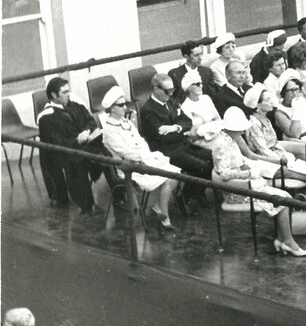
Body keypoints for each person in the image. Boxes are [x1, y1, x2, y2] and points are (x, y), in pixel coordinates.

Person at [214, 107, 306, 256]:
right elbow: (224, 174)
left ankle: (283, 239)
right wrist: (248, 173)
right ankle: (288, 241)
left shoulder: (230, 140)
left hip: (246, 185)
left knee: (285, 196)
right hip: (237, 192)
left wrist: (251, 168)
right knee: (283, 200)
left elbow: (238, 162)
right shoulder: (222, 145)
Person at [243, 85, 306, 226]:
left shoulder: (266, 120)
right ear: (257, 106)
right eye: (267, 100)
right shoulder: (253, 123)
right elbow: (262, 150)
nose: (271, 102)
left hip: (279, 158)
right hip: (267, 164)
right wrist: (281, 159)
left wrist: (286, 155)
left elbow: (275, 143)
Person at [101, 86, 182, 230]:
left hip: (143, 159)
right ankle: (164, 219)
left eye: (124, 104)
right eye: (120, 105)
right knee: (168, 177)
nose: (124, 107)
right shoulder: (109, 130)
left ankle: (158, 209)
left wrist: (148, 156)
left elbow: (141, 141)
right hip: (129, 167)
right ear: (111, 108)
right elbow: (125, 152)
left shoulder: (126, 122)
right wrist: (146, 157)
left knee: (175, 174)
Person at [140, 73, 215, 208]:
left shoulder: (171, 101)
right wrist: (181, 131)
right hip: (166, 151)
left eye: (172, 90)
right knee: (202, 166)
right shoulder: (148, 110)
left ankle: (194, 192)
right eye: (167, 91)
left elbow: (187, 121)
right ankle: (186, 194)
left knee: (212, 158)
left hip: (182, 144)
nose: (170, 94)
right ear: (156, 89)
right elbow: (163, 138)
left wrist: (175, 127)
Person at [36, 77, 103, 213]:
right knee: (79, 161)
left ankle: (118, 194)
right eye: (64, 92)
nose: (68, 94)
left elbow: (90, 121)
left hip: (84, 143)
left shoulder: (74, 105)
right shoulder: (46, 118)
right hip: (66, 151)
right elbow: (56, 142)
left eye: (68, 91)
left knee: (107, 153)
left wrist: (87, 131)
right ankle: (87, 205)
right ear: (54, 95)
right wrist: (77, 140)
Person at [178, 71, 224, 148]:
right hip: (202, 140)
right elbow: (192, 133)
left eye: (201, 83)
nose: (201, 86)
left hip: (217, 133)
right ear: (189, 87)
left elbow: (218, 118)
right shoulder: (185, 107)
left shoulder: (206, 98)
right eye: (198, 84)